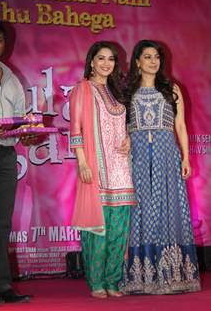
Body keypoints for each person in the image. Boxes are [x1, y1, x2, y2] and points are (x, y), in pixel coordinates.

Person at [120, 40, 201, 294]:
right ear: (137, 62)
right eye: (147, 57)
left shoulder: (171, 89)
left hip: (167, 154)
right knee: (140, 210)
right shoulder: (127, 91)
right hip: (139, 156)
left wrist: (185, 157)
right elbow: (121, 126)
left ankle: (173, 275)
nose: (153, 61)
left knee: (168, 208)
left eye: (156, 57)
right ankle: (140, 276)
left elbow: (180, 127)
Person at [69, 41, 136, 298]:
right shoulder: (82, 89)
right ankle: (96, 282)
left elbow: (123, 125)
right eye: (101, 58)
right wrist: (82, 162)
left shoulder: (116, 92)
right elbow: (75, 130)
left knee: (119, 228)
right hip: (96, 168)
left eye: (111, 59)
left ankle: (113, 280)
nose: (106, 63)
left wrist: (129, 138)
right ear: (92, 62)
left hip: (121, 168)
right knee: (98, 228)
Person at [0, 23, 30, 303]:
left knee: (2, 223)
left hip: (6, 155)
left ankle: (2, 287)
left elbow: (18, 120)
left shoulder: (10, 77)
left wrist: (29, 134)